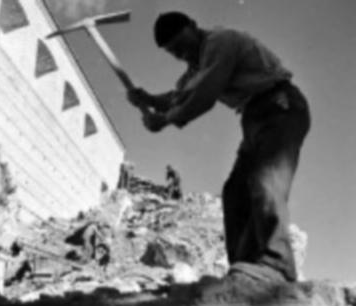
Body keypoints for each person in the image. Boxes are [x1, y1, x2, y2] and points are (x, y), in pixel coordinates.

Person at [127, 12, 311, 282]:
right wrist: (148, 99)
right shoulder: (196, 67)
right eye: (174, 52)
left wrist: (165, 120)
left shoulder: (220, 42)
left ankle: (277, 265)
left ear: (192, 26)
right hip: (253, 118)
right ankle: (245, 270)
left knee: (266, 182)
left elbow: (205, 94)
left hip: (280, 107)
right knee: (235, 193)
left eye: (181, 45)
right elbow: (180, 95)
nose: (181, 54)